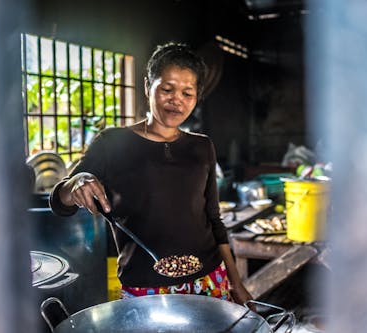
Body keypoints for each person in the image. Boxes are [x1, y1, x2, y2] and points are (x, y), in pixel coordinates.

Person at [49, 41, 253, 305]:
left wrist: (236, 284)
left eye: (187, 93)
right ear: (148, 86)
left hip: (210, 278)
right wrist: (75, 182)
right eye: (167, 89)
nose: (176, 100)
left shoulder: (202, 146)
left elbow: (214, 220)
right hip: (145, 286)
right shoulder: (112, 143)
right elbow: (58, 202)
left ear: (196, 96)